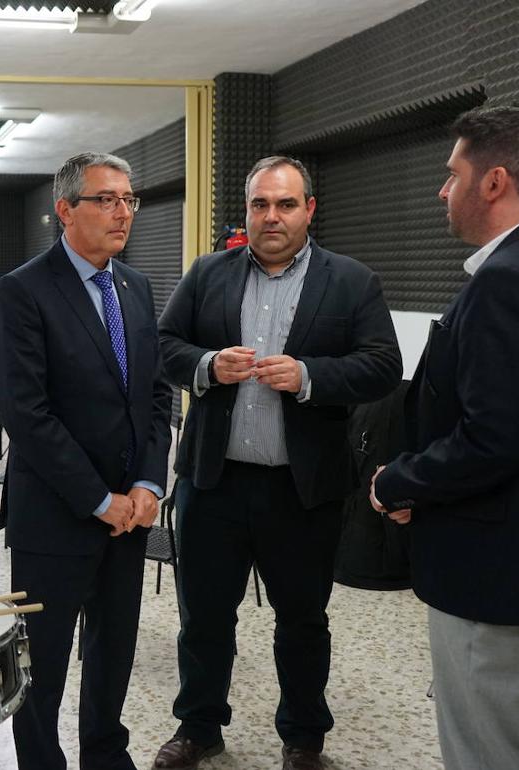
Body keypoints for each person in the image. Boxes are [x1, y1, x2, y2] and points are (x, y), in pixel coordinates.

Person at [371, 106, 519, 770]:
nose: (441, 190)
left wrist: (397, 481)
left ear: (495, 182)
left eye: (452, 174)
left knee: (489, 751)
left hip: (496, 572)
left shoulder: (508, 283)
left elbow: (493, 440)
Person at [155, 156, 401, 770]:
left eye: (286, 204)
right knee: (204, 618)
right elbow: (163, 347)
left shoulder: (351, 281)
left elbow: (382, 366)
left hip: (303, 489)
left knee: (302, 621)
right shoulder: (208, 273)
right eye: (261, 204)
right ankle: (200, 726)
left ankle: (303, 738)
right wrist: (208, 367)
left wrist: (311, 376)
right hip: (212, 483)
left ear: (310, 210)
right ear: (247, 211)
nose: (272, 216)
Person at [0, 152, 173, 770]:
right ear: (65, 210)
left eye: (129, 199)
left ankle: (105, 755)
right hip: (58, 515)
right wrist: (100, 500)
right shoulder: (23, 291)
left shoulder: (137, 286)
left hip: (130, 514)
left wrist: (148, 483)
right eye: (106, 199)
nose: (123, 212)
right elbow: (28, 414)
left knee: (112, 650)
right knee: (39, 665)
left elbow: (154, 394)